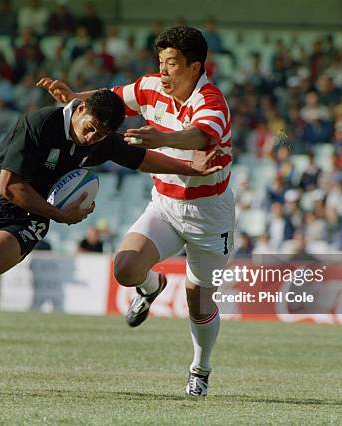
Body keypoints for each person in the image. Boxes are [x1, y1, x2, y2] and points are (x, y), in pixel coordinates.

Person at [0, 89, 222, 389]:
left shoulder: (100, 138)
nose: (93, 136)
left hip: (26, 220)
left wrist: (190, 168)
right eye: (92, 127)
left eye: (101, 134)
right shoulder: (38, 124)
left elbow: (140, 159)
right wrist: (60, 215)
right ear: (80, 108)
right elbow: (8, 187)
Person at [38, 26, 234, 396]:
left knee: (197, 299)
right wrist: (75, 96)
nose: (163, 71)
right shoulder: (150, 87)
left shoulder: (212, 102)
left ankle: (200, 369)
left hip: (210, 216)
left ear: (194, 67)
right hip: (165, 204)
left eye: (172, 64)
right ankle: (152, 286)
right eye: (161, 62)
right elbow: (113, 97)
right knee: (125, 268)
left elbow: (201, 136)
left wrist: (164, 138)